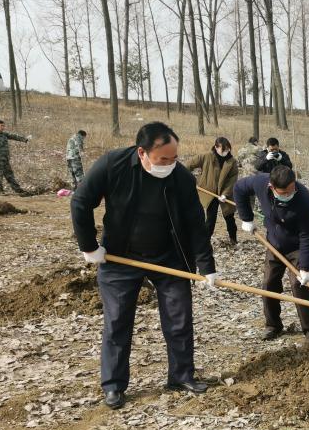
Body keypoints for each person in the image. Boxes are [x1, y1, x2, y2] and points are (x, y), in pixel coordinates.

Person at [70, 122, 218, 410]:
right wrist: (89, 247)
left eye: (174, 158)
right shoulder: (113, 165)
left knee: (179, 318)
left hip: (168, 257)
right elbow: (80, 201)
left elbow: (195, 224)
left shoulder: (182, 178)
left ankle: (181, 375)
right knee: (117, 322)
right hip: (120, 257)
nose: (170, 164)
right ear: (142, 152)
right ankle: (113, 385)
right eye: (163, 159)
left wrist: (206, 265)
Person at [235, 165, 309, 343]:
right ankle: (273, 325)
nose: (289, 194)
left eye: (292, 189)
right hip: (274, 242)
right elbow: (239, 188)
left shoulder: (304, 199)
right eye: (284, 192)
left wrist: (305, 267)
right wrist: (246, 218)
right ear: (272, 187)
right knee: (268, 283)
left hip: (297, 246)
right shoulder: (261, 183)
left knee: (298, 284)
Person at [186, 137, 239, 246]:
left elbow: (233, 179)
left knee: (229, 217)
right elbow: (188, 166)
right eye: (223, 150)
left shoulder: (232, 161)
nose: (225, 152)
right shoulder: (206, 156)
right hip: (209, 193)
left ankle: (233, 239)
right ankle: (205, 241)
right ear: (216, 147)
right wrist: (191, 180)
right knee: (211, 218)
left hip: (225, 194)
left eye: (227, 150)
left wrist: (225, 193)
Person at [0, 119, 31, 194]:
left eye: (4, 126)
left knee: (9, 175)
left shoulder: (4, 134)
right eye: (1, 126)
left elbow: (14, 136)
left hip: (5, 159)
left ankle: (18, 190)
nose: (3, 127)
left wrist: (25, 139)